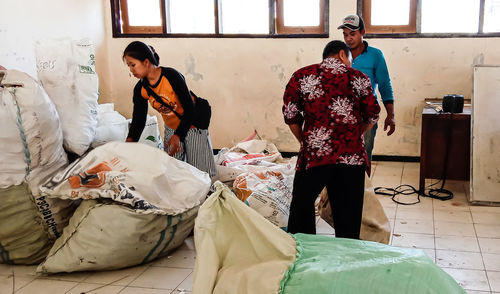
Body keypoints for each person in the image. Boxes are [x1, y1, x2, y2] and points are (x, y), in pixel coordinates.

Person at [283, 40, 380, 238]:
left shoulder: (302, 76)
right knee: (348, 213)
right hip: (351, 157)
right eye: (350, 60)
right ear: (343, 55)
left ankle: (305, 252)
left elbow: (291, 114)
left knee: (302, 206)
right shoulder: (359, 78)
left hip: (315, 155)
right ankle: (346, 256)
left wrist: (306, 142)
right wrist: (355, 135)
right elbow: (372, 115)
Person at [123, 41, 216, 177]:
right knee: (172, 174)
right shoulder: (140, 89)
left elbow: (189, 108)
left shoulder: (171, 76)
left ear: (146, 62)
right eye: (129, 66)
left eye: (133, 65)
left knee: (200, 173)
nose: (131, 70)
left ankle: (206, 196)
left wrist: (178, 135)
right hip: (171, 129)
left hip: (192, 125)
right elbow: (139, 118)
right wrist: (130, 141)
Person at [338, 14, 395, 171]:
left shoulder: (376, 55)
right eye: (345, 34)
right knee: (340, 155)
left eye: (352, 34)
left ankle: (363, 191)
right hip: (342, 113)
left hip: (366, 113)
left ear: (362, 32)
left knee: (364, 154)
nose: (348, 39)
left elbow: (384, 84)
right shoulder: (340, 54)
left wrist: (391, 115)